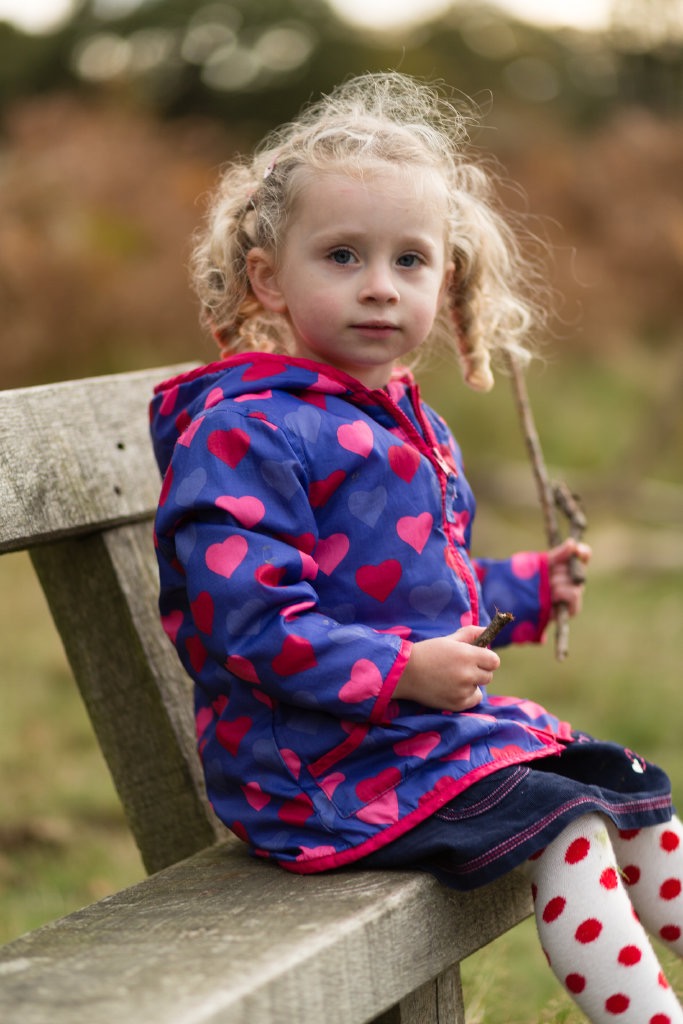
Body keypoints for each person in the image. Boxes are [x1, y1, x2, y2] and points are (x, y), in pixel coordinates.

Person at [150, 72, 682, 1021]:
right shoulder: (247, 432)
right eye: (342, 255)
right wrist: (402, 672)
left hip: (397, 742)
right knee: (568, 823)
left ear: (447, 279)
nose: (378, 286)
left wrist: (525, 588)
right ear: (269, 278)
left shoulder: (406, 422)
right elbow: (252, 626)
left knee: (629, 791)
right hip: (313, 772)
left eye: (410, 260)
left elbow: (421, 591)